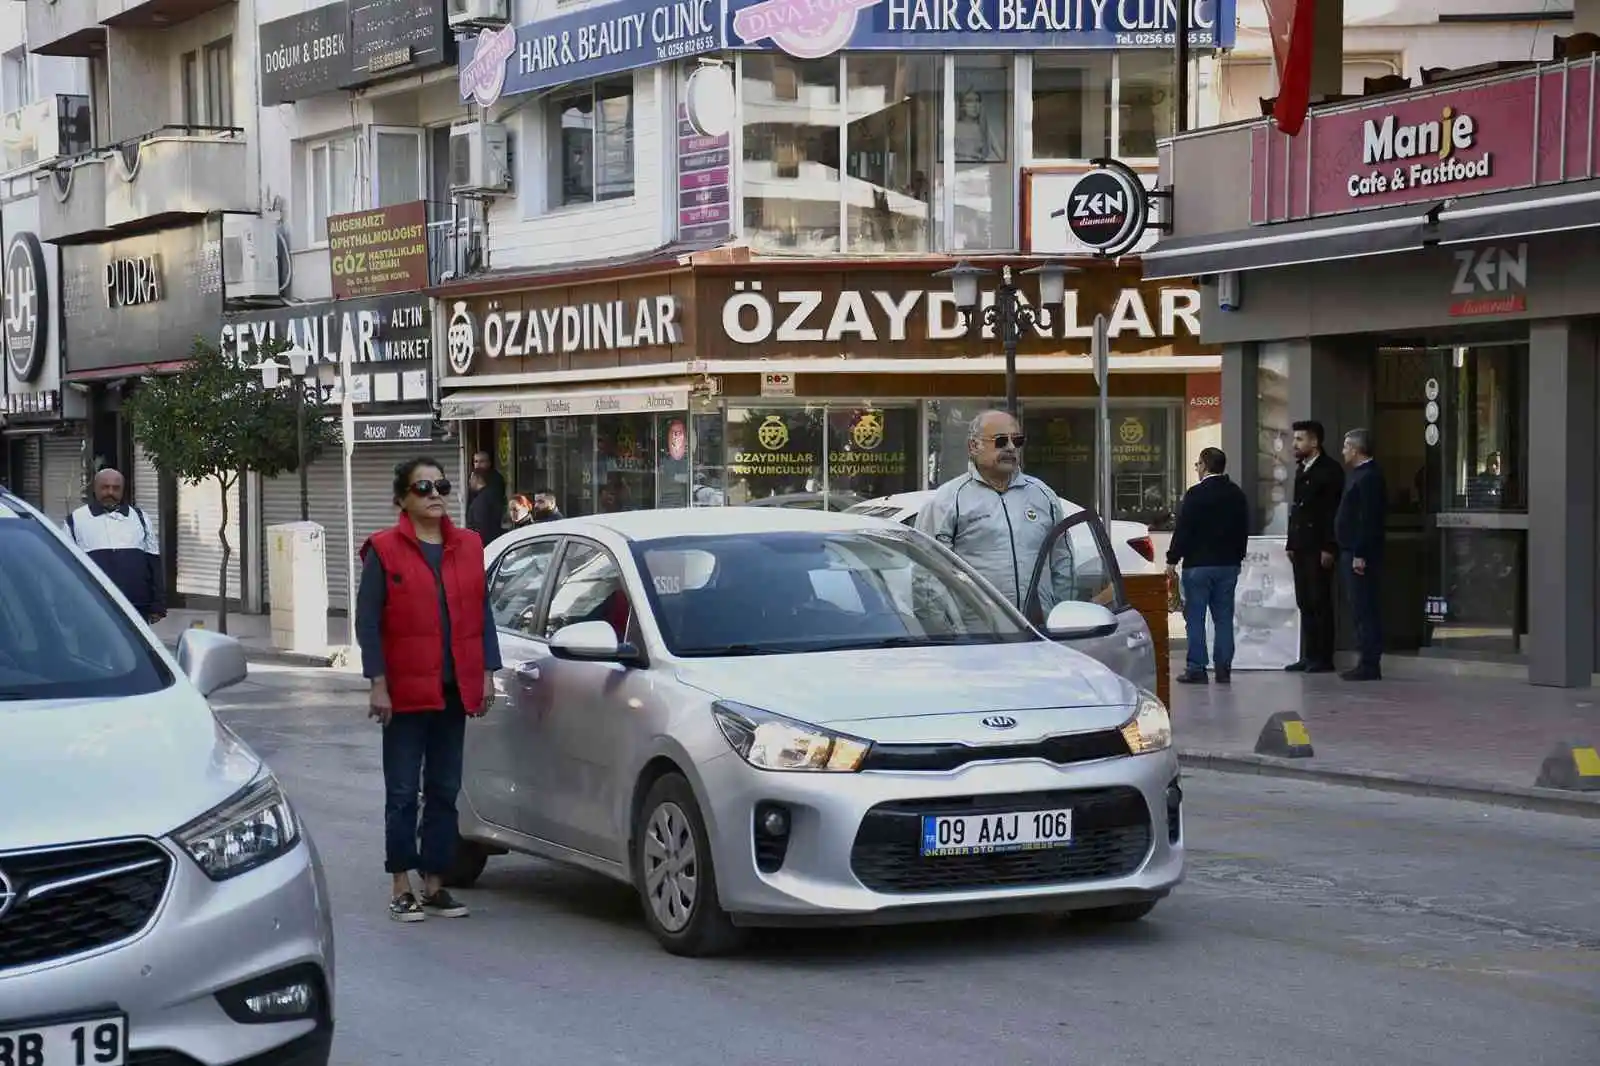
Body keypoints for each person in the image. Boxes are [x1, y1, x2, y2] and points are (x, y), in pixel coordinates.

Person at [356, 457, 503, 923]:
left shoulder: (470, 545)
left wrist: (487, 673)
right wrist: (377, 683)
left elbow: (481, 614)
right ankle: (401, 882)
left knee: (444, 788)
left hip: (454, 688)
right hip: (403, 691)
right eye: (423, 487)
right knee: (401, 791)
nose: (435, 493)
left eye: (441, 485)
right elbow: (368, 621)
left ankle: (435, 882)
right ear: (401, 499)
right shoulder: (383, 549)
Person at [915, 409, 1071, 618]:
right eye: (1000, 441)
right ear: (973, 446)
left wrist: (1061, 618)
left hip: (1039, 633)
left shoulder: (1043, 495)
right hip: (977, 635)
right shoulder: (948, 500)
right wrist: (945, 632)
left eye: (1017, 441)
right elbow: (928, 575)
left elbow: (1062, 562)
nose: (1010, 447)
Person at [1165, 448, 1249, 684]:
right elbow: (1243, 529)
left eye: (1197, 465)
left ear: (1204, 465)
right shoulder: (1236, 494)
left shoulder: (1195, 495)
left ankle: (1197, 668)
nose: (1197, 469)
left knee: (1195, 617)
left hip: (1198, 566)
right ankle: (1223, 668)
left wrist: (1172, 560)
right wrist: (1238, 557)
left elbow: (1183, 529)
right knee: (1223, 617)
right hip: (1227, 565)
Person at [67, 467, 166, 625]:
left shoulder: (140, 517)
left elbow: (153, 562)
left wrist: (158, 605)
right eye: (105, 487)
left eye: (116, 488)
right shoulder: (75, 520)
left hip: (136, 606)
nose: (110, 492)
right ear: (95, 488)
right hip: (92, 605)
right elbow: (67, 567)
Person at [1285, 419, 1345, 673]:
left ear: (1315, 442)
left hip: (1318, 546)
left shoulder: (1329, 471)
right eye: (1294, 439)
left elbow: (1331, 512)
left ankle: (1323, 657)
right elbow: (1297, 510)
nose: (1294, 444)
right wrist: (1291, 542)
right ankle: (1309, 655)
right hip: (1301, 545)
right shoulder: (1302, 470)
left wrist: (1329, 547)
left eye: (1300, 439)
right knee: (1305, 601)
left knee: (1320, 601)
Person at [1335, 428, 1387, 681]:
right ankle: (1364, 658)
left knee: (1364, 607)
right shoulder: (1356, 475)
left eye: (1346, 446)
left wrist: (1360, 553)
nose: (1343, 451)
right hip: (1349, 550)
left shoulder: (1369, 477)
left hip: (1359, 553)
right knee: (1357, 608)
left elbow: (1368, 520)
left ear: (1356, 449)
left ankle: (1369, 662)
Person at [467, 451, 506, 538]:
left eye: (482, 461)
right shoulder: (473, 476)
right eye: (476, 461)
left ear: (489, 463)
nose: (478, 464)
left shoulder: (496, 479)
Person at [465, 470, 504, 541]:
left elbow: (480, 528)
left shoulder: (481, 500)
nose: (469, 482)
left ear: (477, 479)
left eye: (471, 478)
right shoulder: (490, 496)